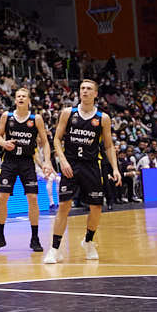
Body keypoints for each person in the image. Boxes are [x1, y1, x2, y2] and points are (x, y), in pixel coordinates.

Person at [44, 79, 122, 265]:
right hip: (71, 165)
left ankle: (88, 241)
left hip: (92, 166)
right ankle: (55, 249)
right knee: (64, 206)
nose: (85, 91)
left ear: (95, 94)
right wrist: (62, 161)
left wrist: (115, 168)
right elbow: (56, 140)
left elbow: (109, 146)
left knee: (96, 207)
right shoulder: (68, 113)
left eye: (89, 89)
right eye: (82, 88)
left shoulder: (103, 118)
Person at [0, 88, 52, 252]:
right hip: (9, 161)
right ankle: (0, 236)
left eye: (24, 96)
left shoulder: (36, 118)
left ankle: (35, 238)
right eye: (18, 96)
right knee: (2, 197)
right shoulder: (7, 116)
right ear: (15, 100)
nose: (21, 98)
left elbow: (45, 142)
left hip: (27, 161)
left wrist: (47, 162)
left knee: (32, 197)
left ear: (29, 100)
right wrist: (3, 144)